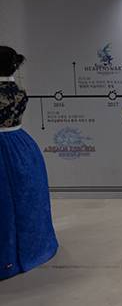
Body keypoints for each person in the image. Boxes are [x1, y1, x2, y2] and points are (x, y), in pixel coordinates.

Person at [0, 46, 58, 280]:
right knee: (26, 200)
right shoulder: (19, 90)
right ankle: (32, 248)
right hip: (22, 147)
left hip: (5, 150)